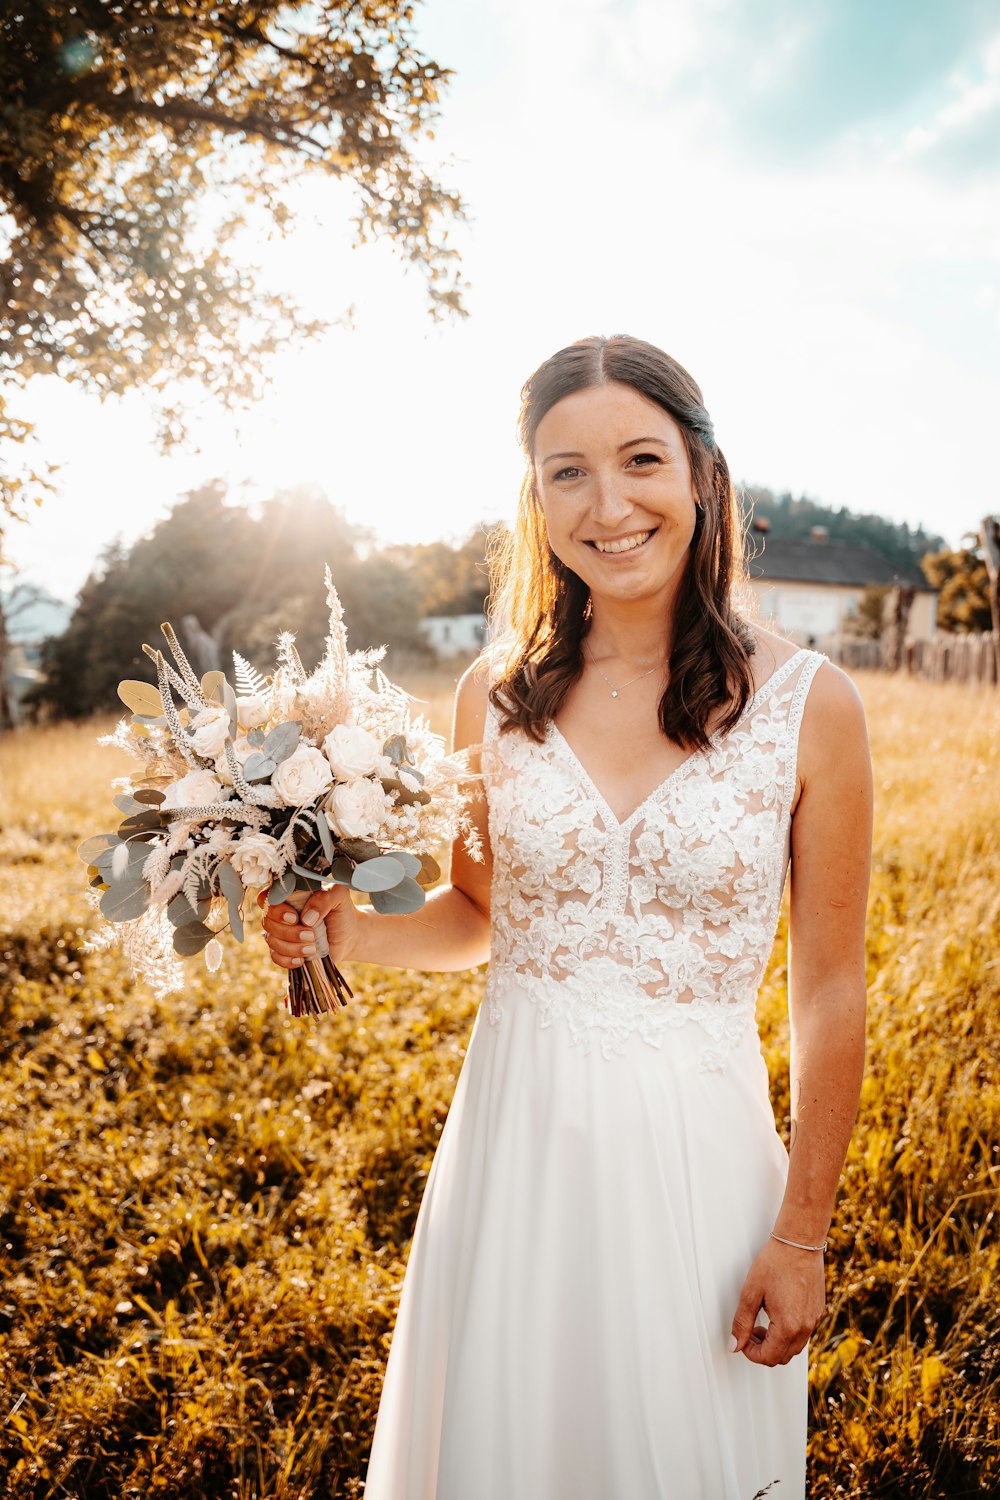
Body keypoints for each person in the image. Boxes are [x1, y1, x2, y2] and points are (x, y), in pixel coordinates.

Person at [259, 334, 873, 1499]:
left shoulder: (811, 706)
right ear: (533, 497)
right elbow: (479, 916)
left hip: (700, 1153)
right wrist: (339, 928)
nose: (608, 505)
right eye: (565, 472)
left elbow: (828, 987)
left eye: (639, 459)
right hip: (517, 1141)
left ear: (699, 473)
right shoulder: (491, 693)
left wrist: (801, 1237)